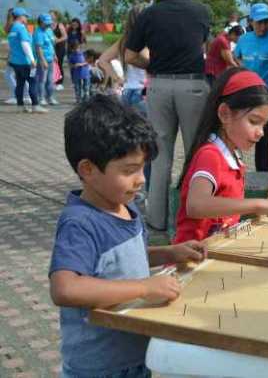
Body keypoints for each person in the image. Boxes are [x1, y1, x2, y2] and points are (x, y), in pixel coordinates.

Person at [49, 94, 207, 378]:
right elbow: (66, 288)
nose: (141, 179)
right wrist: (145, 288)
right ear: (88, 169)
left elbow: (118, 260)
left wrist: (169, 253)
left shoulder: (124, 205)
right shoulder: (80, 223)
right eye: (129, 170)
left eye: (142, 168)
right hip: (99, 368)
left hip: (135, 356)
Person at [125, 0, 211, 232]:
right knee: (195, 153)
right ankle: (193, 215)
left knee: (160, 157)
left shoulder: (149, 14)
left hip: (159, 86)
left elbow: (129, 56)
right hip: (193, 86)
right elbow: (203, 45)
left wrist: (152, 65)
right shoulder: (201, 11)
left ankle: (157, 220)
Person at [173, 68, 268, 244]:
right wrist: (258, 204)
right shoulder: (210, 155)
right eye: (253, 121)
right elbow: (196, 205)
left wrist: (263, 207)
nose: (261, 133)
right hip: (192, 258)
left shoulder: (233, 155)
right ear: (224, 113)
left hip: (217, 251)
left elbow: (226, 210)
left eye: (264, 125)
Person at [234, 3, 268, 171]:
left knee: (266, 137)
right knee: (241, 132)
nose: (263, 26)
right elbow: (236, 57)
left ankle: (267, 172)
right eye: (259, 22)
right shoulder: (244, 39)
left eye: (266, 22)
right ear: (251, 21)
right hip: (248, 93)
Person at [99, 3, 149, 115]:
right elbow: (148, 59)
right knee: (148, 130)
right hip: (144, 92)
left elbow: (102, 60)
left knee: (129, 130)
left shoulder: (124, 40)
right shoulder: (147, 39)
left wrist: (117, 78)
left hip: (127, 92)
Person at [7, 7, 46, 113]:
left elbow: (11, 46)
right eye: (25, 16)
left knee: (20, 84)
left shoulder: (12, 29)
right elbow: (25, 44)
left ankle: (20, 106)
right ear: (20, 17)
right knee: (33, 82)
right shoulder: (21, 28)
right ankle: (35, 105)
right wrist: (32, 59)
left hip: (15, 62)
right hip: (25, 62)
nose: (26, 18)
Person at [33, 13, 59, 106]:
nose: (48, 25)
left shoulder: (49, 30)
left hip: (50, 58)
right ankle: (41, 98)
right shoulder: (38, 32)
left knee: (50, 79)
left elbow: (51, 44)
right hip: (42, 60)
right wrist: (42, 60)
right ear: (41, 22)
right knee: (42, 80)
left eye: (49, 23)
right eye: (46, 23)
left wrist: (54, 55)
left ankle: (50, 97)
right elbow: (38, 48)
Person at [50, 10, 67, 89]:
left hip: (60, 47)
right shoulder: (48, 26)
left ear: (56, 16)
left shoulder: (59, 25)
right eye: (49, 15)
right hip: (51, 48)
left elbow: (65, 36)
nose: (50, 16)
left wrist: (57, 40)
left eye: (52, 15)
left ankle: (60, 82)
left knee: (59, 64)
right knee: (52, 65)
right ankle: (53, 81)